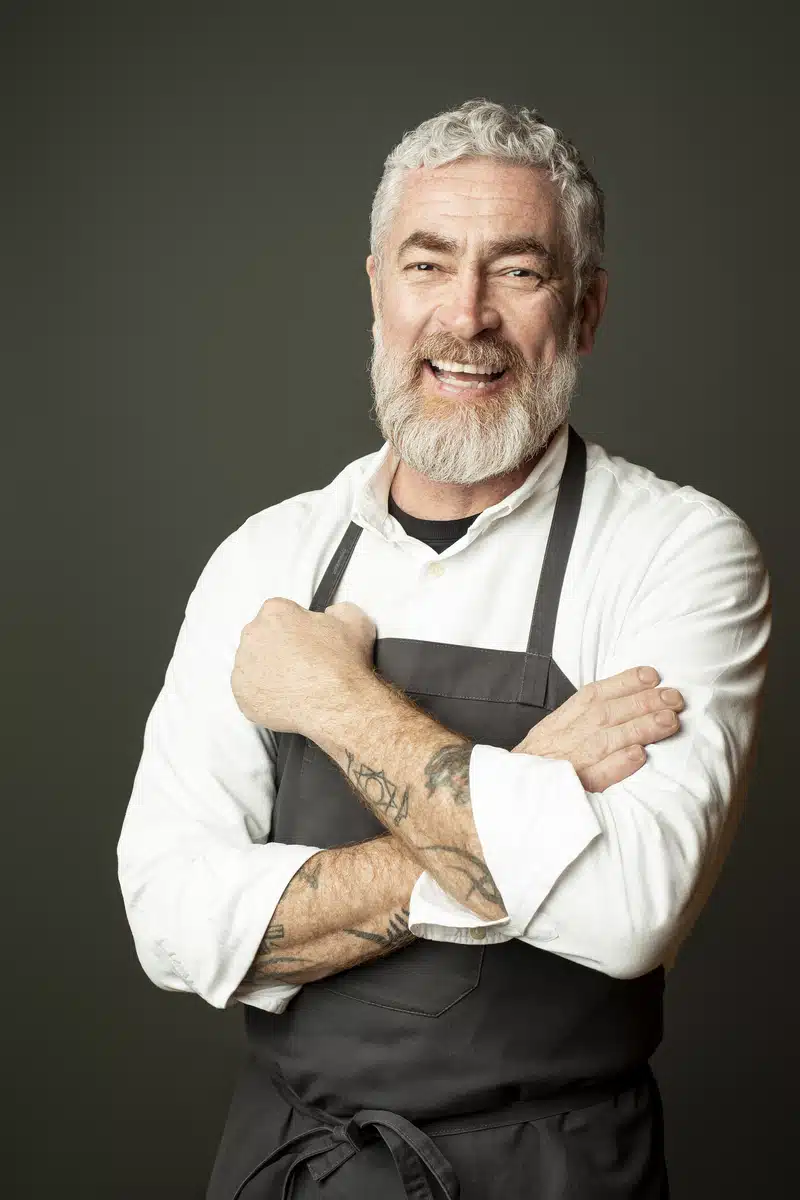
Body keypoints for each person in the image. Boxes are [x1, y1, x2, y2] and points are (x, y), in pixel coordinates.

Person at [118, 99, 770, 1199]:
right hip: (292, 1165)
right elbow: (173, 923)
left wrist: (329, 697)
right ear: (377, 288)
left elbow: (627, 913)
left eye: (517, 271)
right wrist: (528, 794)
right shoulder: (267, 556)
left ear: (585, 309)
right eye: (427, 264)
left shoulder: (676, 551)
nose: (465, 316)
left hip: (550, 1171)